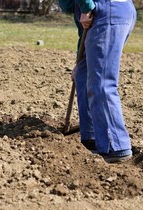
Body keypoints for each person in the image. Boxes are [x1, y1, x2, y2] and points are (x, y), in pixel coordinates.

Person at [59, 0, 137, 163]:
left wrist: (86, 7)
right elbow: (84, 35)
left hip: (105, 11)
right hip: (107, 11)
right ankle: (91, 137)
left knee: (101, 82)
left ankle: (116, 145)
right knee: (82, 72)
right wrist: (78, 64)